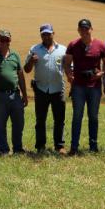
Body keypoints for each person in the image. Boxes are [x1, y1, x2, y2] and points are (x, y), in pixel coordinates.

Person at [62, 19, 105, 155]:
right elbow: (67, 63)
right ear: (78, 30)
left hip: (94, 86)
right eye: (81, 29)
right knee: (77, 116)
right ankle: (74, 147)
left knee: (93, 116)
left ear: (91, 29)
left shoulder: (100, 45)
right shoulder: (73, 45)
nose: (84, 31)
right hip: (78, 86)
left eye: (86, 28)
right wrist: (69, 74)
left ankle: (93, 147)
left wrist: (101, 73)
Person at [24, 23, 67, 155]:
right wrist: (31, 61)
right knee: (40, 119)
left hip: (58, 89)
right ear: (41, 35)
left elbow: (70, 69)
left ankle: (59, 146)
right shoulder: (34, 49)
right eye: (43, 34)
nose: (46, 36)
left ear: (54, 33)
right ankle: (40, 146)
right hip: (41, 89)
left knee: (59, 119)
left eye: (48, 33)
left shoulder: (63, 50)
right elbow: (26, 69)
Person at [0, 30, 28, 155]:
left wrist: (24, 94)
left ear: (10, 40)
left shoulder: (15, 55)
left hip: (15, 94)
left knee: (19, 123)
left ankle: (18, 149)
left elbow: (20, 74)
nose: (4, 42)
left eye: (6, 40)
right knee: (0, 124)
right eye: (1, 40)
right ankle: (3, 150)